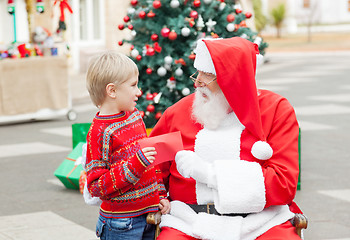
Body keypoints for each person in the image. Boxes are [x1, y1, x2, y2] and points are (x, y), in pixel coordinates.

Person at [150, 37, 302, 240]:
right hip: (188, 221)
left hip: (260, 222)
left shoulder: (276, 110)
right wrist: (158, 197)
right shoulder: (176, 113)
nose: (197, 82)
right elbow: (150, 169)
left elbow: (283, 185)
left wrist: (210, 174)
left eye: (208, 75)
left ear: (234, 80)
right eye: (198, 72)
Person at [85, 51, 171, 240]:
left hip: (148, 216)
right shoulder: (100, 132)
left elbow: (151, 160)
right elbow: (96, 187)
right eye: (133, 85)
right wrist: (135, 164)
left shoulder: (134, 116)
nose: (138, 91)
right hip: (120, 224)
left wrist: (160, 194)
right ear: (112, 91)